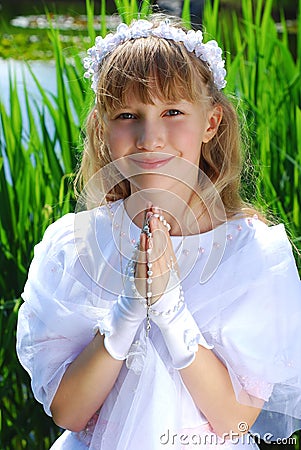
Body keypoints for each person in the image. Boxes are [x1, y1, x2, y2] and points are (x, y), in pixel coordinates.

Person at [16, 14, 301, 450]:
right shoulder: (73, 246)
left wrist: (168, 306)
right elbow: (69, 412)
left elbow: (232, 422)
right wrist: (128, 308)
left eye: (173, 112)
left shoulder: (253, 254)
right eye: (128, 115)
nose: (150, 137)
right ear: (102, 127)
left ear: (210, 123)